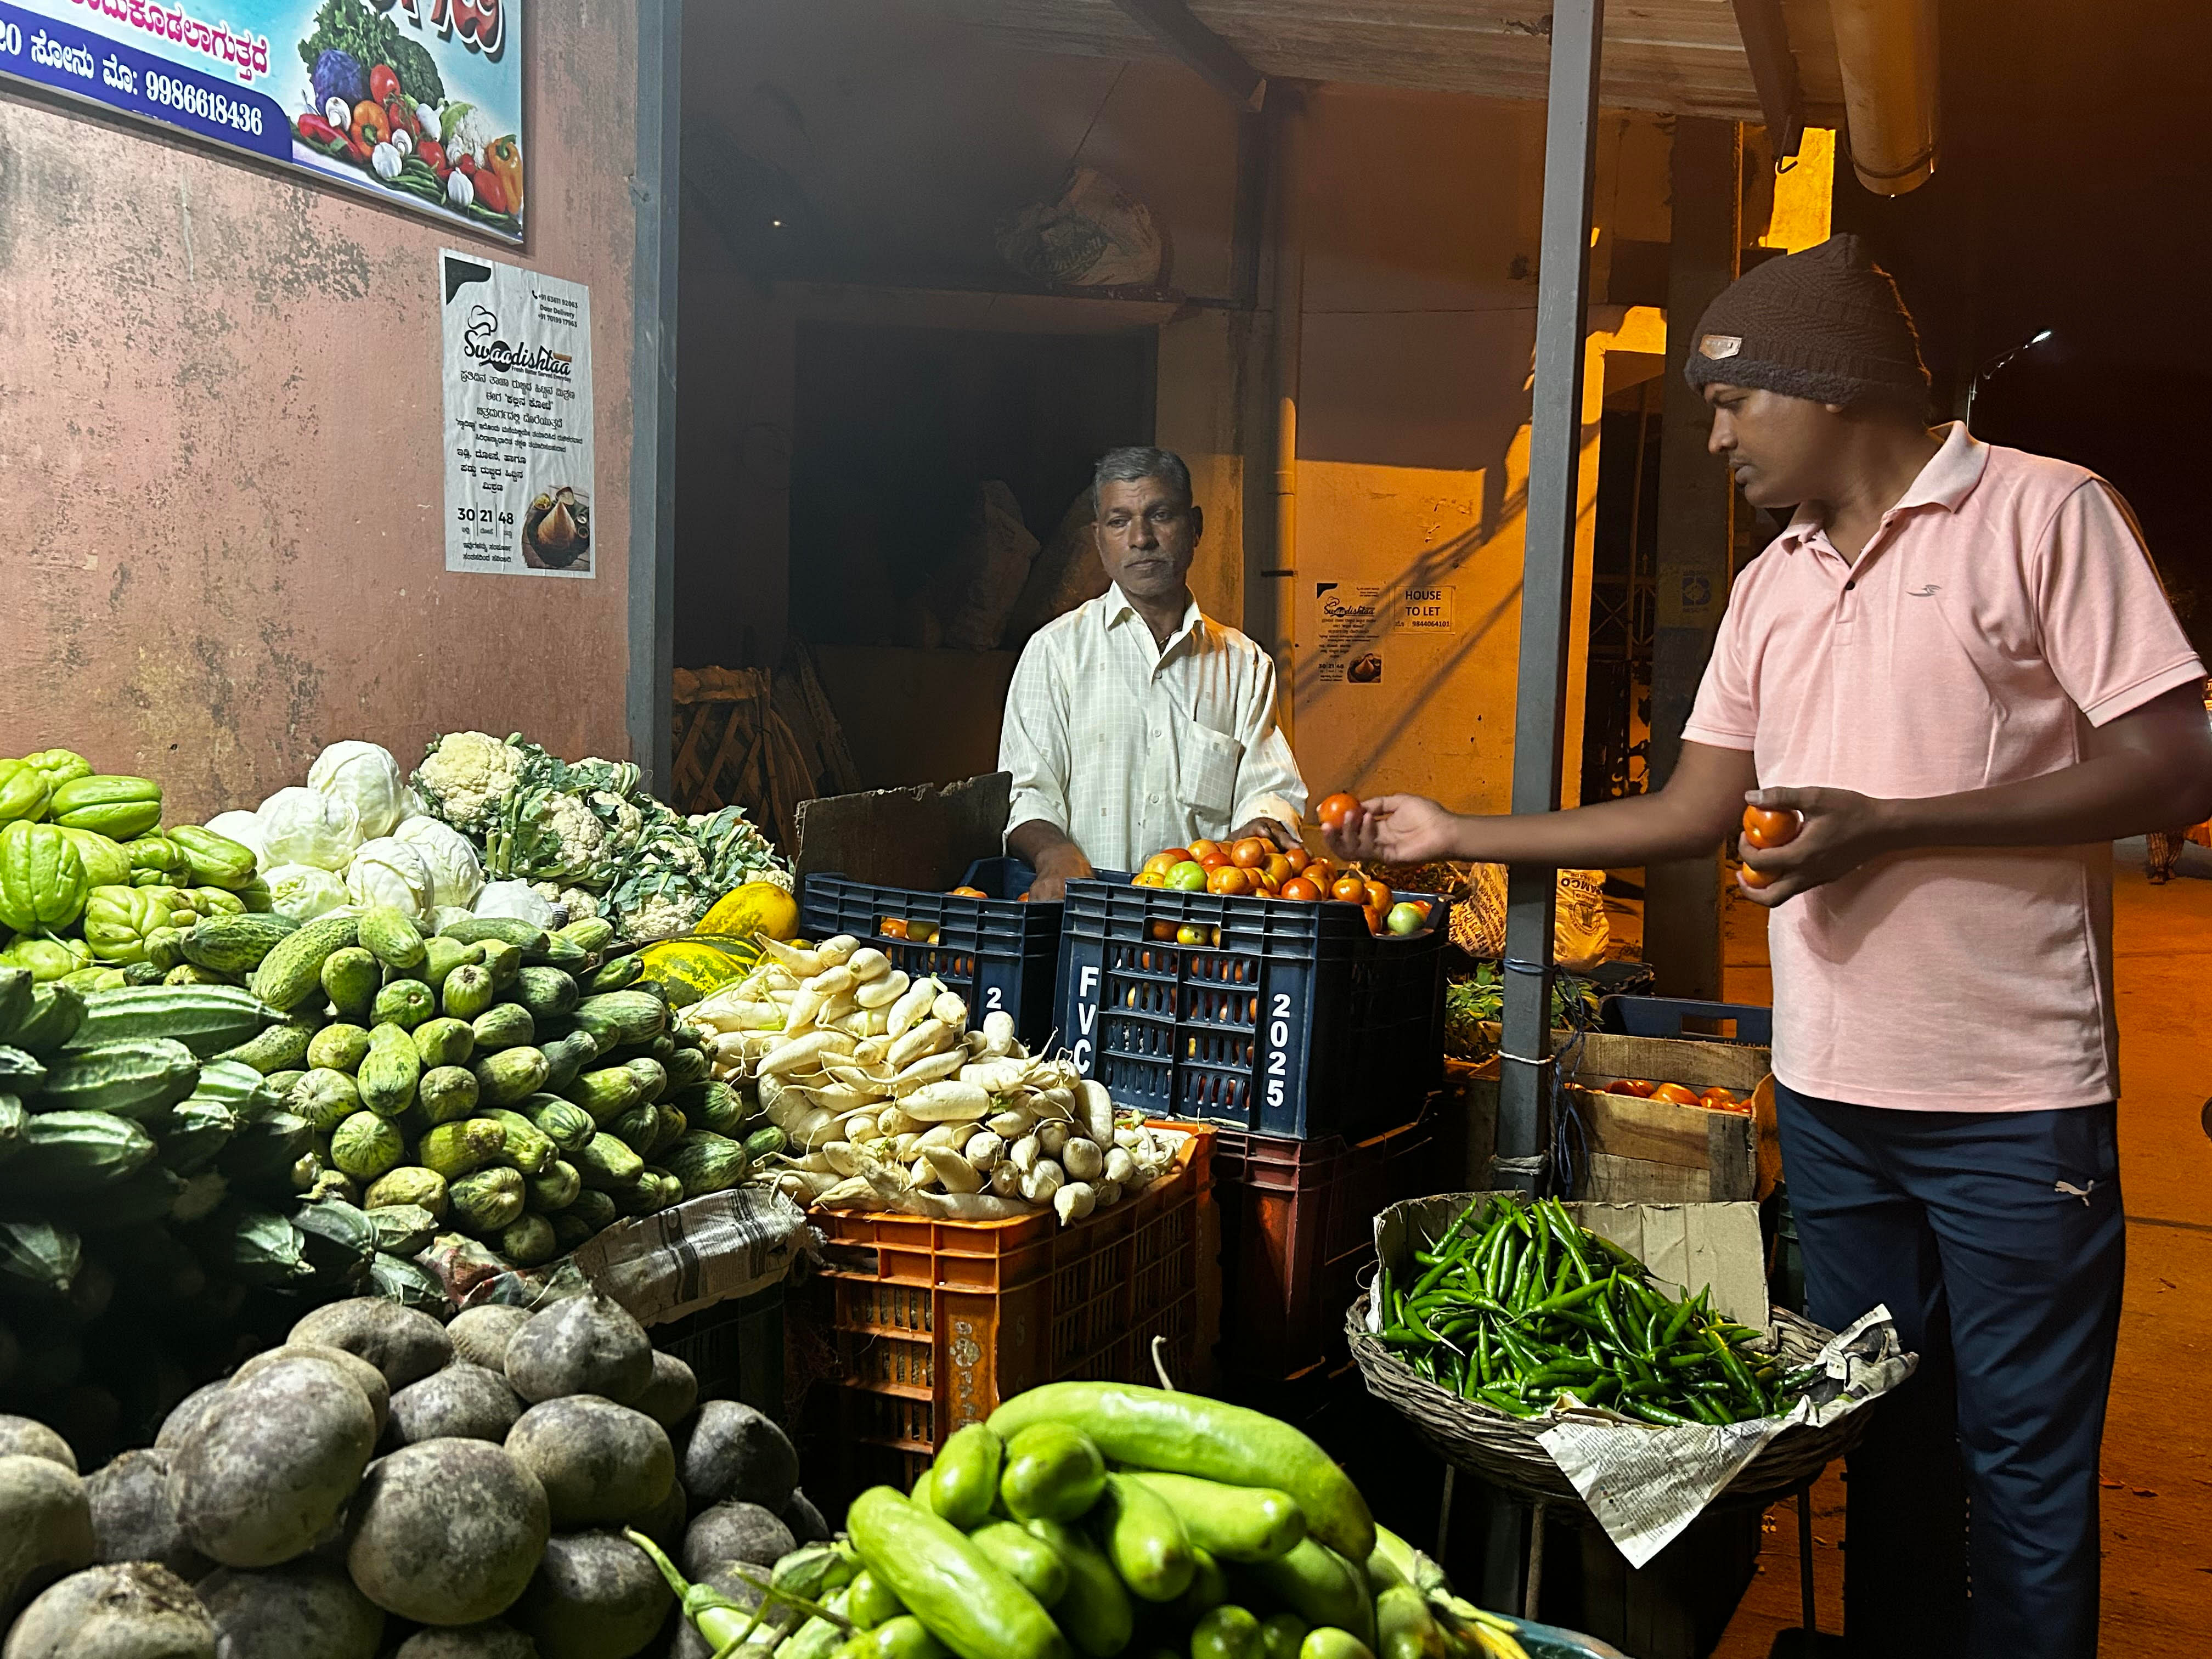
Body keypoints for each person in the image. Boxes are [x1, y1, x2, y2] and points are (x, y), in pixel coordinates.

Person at [1325, 235, 2212, 1659]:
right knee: (1885, 1449)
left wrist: (1891, 830)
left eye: (1734, 401)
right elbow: (1689, 812)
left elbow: (2176, 766)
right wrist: (1457, 830)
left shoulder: (2047, 516)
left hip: (2014, 1105)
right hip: (1835, 1101)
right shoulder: (1771, 585)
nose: (1719, 432)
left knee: (2026, 1483)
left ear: (1826, 385)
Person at [1000, 447, 1307, 900]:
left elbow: (1270, 787)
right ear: (1099, 538)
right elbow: (1026, 791)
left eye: (1159, 515)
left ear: (1195, 527)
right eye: (1119, 521)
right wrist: (1055, 853)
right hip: (1087, 918)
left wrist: (1258, 825)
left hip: (1204, 924)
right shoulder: (1054, 652)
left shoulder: (1244, 665)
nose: (1141, 538)